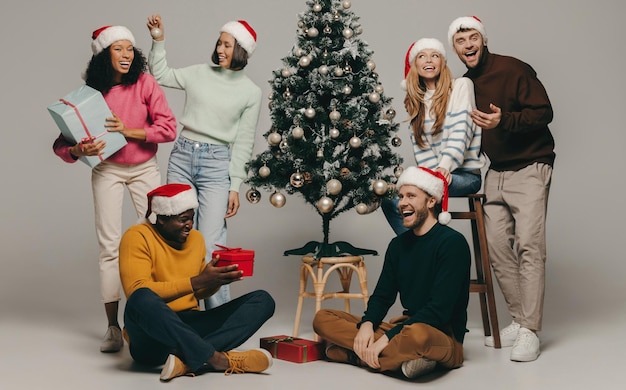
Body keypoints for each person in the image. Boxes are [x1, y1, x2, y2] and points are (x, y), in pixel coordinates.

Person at [52, 25, 177, 353]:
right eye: (117, 49)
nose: (125, 55)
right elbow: (62, 144)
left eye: (129, 49)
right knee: (109, 247)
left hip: (145, 169)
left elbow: (168, 128)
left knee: (157, 240)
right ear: (103, 54)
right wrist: (80, 151)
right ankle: (112, 327)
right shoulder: (90, 93)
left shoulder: (146, 83)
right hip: (107, 170)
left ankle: (161, 318)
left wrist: (130, 130)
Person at [448, 16, 555, 362]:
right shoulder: (464, 84)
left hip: (530, 166)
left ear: (483, 39)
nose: (467, 45)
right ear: (455, 49)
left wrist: (503, 120)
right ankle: (520, 318)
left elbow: (544, 113)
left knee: (529, 245)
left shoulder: (514, 69)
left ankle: (530, 330)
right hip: (495, 171)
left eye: (472, 37)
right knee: (494, 245)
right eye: (460, 41)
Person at [145, 15, 262, 309]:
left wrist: (235, 186)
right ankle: (180, 311)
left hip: (217, 164)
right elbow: (161, 75)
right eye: (219, 43)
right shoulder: (199, 73)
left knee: (210, 244)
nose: (220, 49)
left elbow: (245, 141)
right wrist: (158, 40)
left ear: (241, 50)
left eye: (227, 44)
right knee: (177, 237)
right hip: (182, 156)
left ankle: (219, 317)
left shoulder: (251, 92)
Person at [313, 166, 470, 380]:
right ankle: (401, 360)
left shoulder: (452, 243)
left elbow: (438, 312)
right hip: (403, 328)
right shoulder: (397, 245)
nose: (402, 202)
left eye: (411, 196)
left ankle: (355, 356)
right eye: (400, 196)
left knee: (418, 336)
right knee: (322, 318)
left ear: (431, 201)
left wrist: (385, 339)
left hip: (440, 334)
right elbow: (382, 296)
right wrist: (367, 326)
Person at [119, 183, 275, 382]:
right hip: (152, 333)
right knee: (141, 297)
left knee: (263, 300)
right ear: (162, 219)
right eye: (183, 220)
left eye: (191, 218)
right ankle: (217, 359)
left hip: (190, 324)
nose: (190, 225)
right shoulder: (137, 236)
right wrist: (197, 281)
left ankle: (186, 360)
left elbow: (197, 293)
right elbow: (135, 291)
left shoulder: (195, 239)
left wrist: (216, 279)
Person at [382, 38, 485, 235]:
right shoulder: (416, 102)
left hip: (464, 176)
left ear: (442, 62)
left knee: (416, 194)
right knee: (390, 198)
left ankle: (427, 247)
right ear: (415, 65)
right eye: (422, 56)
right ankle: (418, 250)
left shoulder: (461, 86)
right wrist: (428, 176)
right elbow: (423, 151)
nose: (429, 60)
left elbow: (461, 131)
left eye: (435, 55)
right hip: (433, 175)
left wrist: (444, 167)